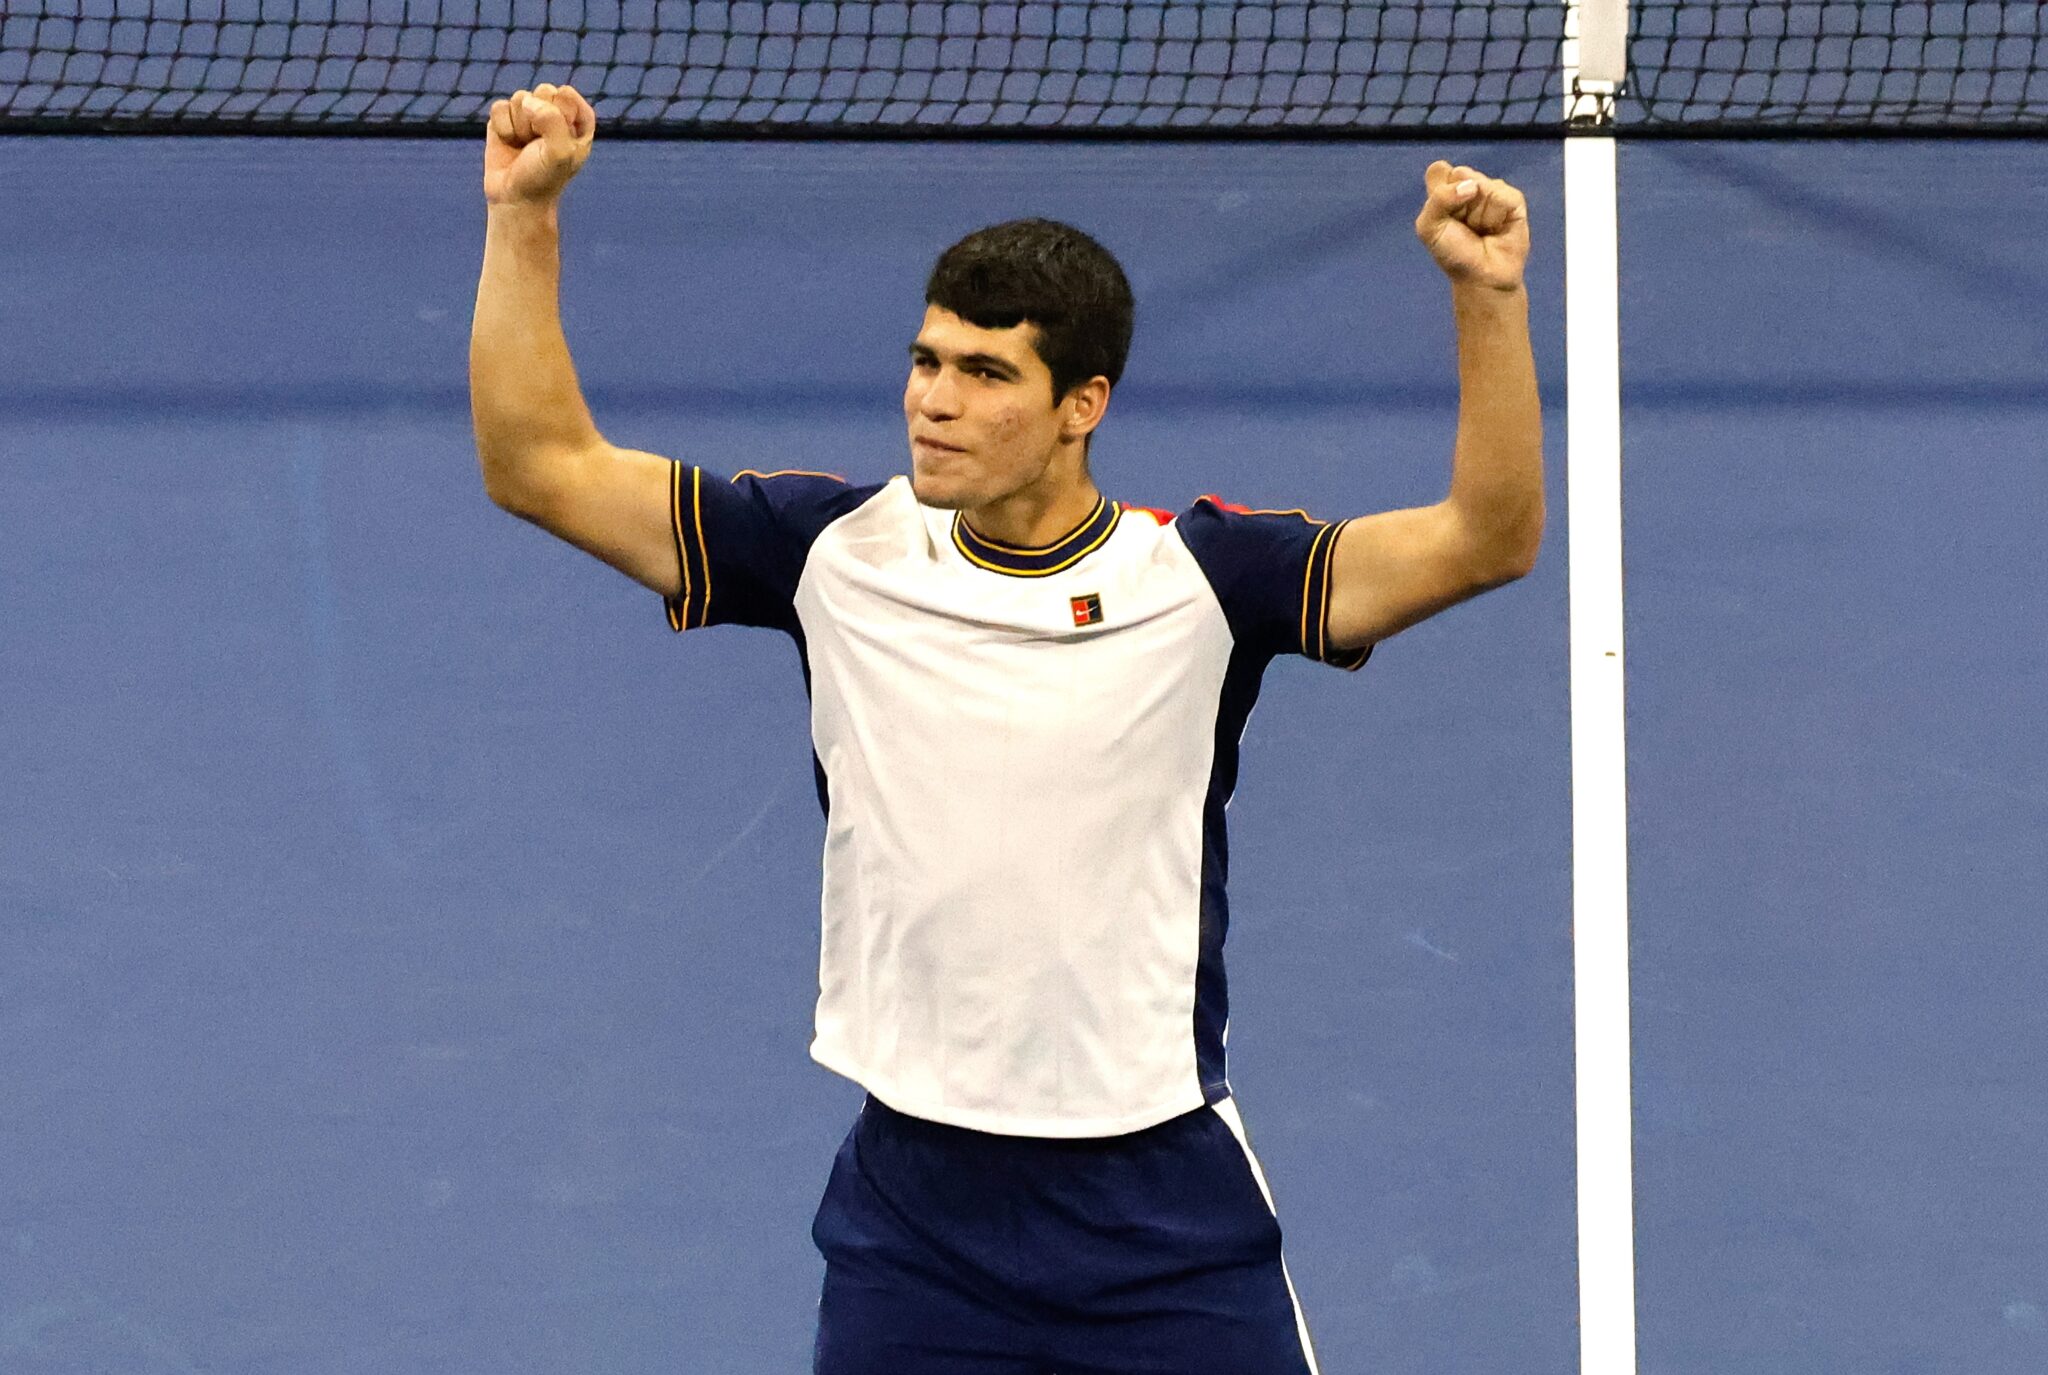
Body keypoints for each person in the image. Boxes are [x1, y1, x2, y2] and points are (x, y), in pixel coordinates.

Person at [471, 82, 1541, 1375]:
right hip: (920, 1217)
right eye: (927, 362)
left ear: (1080, 404)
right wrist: (522, 217)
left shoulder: (1206, 580)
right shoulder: (829, 553)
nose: (934, 401)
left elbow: (1488, 540)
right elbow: (540, 464)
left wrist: (1485, 298)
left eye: (985, 374)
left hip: (1160, 1211)